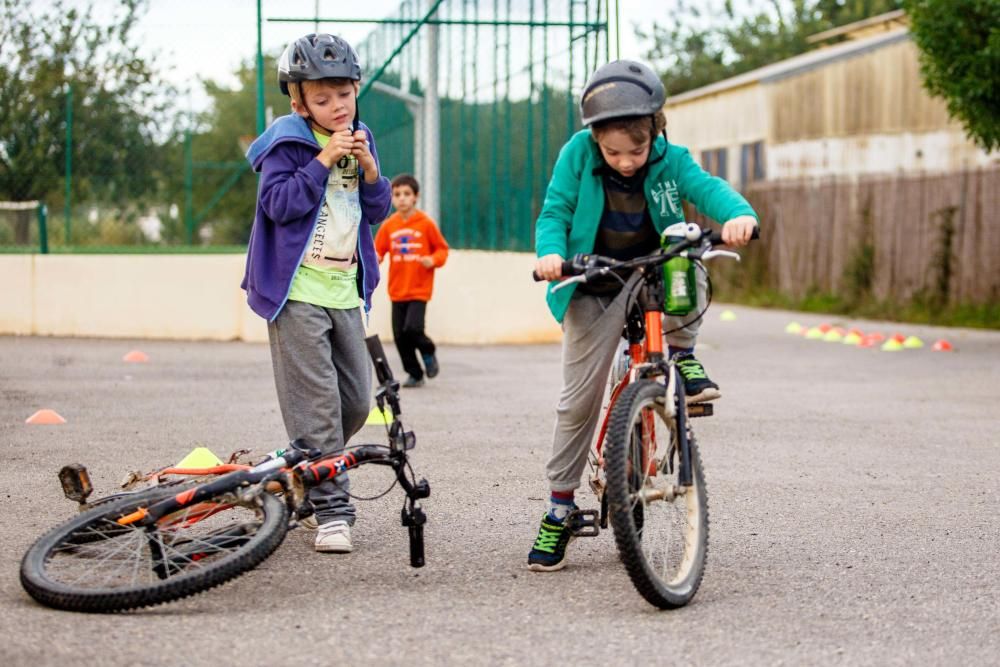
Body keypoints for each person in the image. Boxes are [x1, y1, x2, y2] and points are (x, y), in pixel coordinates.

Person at [528, 60, 759, 571]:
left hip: (655, 272)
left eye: (637, 150)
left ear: (655, 132)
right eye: (613, 152)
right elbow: (555, 211)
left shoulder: (670, 158)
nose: (627, 162)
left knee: (689, 250)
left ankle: (683, 355)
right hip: (594, 278)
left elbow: (707, 189)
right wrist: (550, 253)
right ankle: (559, 509)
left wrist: (739, 215)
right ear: (594, 139)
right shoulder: (576, 155)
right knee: (577, 402)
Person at [242, 33, 392, 554]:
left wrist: (372, 172)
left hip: (345, 290)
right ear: (298, 100)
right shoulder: (286, 142)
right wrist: (323, 158)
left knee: (353, 401)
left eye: (343, 96)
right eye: (322, 99)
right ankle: (332, 512)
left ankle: (300, 463)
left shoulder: (361, 136)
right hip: (296, 291)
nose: (336, 108)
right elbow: (280, 205)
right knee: (319, 406)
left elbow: (376, 212)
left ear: (356, 90)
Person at [374, 174, 449, 388]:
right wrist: (375, 260)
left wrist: (432, 259)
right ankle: (415, 373)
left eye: (407, 194)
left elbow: (442, 250)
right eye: (397, 194)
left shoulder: (426, 224)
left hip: (419, 290)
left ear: (416, 197)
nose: (402, 198)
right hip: (397, 290)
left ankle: (428, 350)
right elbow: (377, 251)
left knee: (413, 329)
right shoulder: (389, 226)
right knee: (399, 336)